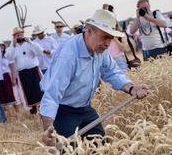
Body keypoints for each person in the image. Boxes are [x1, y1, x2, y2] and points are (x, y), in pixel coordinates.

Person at [40, 9, 151, 146]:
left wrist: (132, 88)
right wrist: (48, 128)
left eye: (110, 38)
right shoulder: (68, 55)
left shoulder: (101, 50)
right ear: (89, 30)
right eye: (105, 37)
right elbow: (52, 94)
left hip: (84, 107)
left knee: (100, 147)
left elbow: (111, 72)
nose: (107, 43)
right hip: (64, 111)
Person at [5, 27, 44, 114]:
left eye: (21, 33)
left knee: (39, 89)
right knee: (28, 92)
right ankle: (33, 107)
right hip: (22, 72)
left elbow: (39, 52)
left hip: (34, 70)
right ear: (14, 36)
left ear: (23, 34)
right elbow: (9, 57)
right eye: (17, 34)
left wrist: (31, 42)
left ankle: (43, 106)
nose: (19, 35)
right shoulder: (13, 46)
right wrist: (13, 46)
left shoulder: (30, 43)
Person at [0, 41, 22, 112]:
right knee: (2, 97)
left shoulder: (7, 55)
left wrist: (13, 79)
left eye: (2, 46)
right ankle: (9, 114)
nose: (1, 47)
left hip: (7, 76)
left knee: (13, 95)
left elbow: (13, 67)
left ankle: (18, 112)